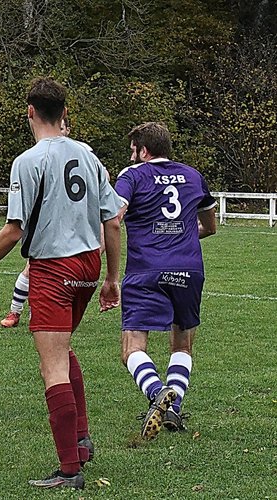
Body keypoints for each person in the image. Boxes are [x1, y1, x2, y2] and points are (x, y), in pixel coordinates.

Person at [0, 77, 122, 490]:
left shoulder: (28, 161)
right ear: (64, 112)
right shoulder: (89, 155)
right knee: (63, 350)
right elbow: (113, 220)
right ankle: (80, 439)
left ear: (30, 111)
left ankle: (68, 470)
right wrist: (113, 279)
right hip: (88, 266)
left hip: (50, 269)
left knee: (52, 365)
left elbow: (13, 230)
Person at [115, 122, 217, 440]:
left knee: (132, 347)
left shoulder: (131, 176)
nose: (132, 157)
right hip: (188, 270)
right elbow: (210, 227)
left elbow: (114, 218)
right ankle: (172, 408)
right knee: (182, 344)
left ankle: (158, 392)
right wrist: (183, 234)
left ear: (143, 151)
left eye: (133, 151)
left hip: (146, 270)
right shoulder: (192, 175)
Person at [0, 117, 96, 328]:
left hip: (69, 240)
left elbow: (13, 229)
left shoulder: (82, 152)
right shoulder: (42, 155)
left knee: (54, 344)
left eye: (62, 127)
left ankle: (26, 313)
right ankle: (17, 311)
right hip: (66, 243)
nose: (59, 131)